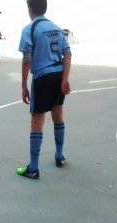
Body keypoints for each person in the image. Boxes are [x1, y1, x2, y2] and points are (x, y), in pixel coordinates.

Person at [16, 0, 71, 179]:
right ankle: (59, 155)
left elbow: (26, 59)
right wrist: (65, 79)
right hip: (58, 74)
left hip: (42, 76)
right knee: (57, 112)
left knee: (38, 117)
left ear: (29, 9)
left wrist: (24, 85)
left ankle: (33, 167)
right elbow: (68, 53)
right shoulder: (56, 27)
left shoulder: (30, 28)